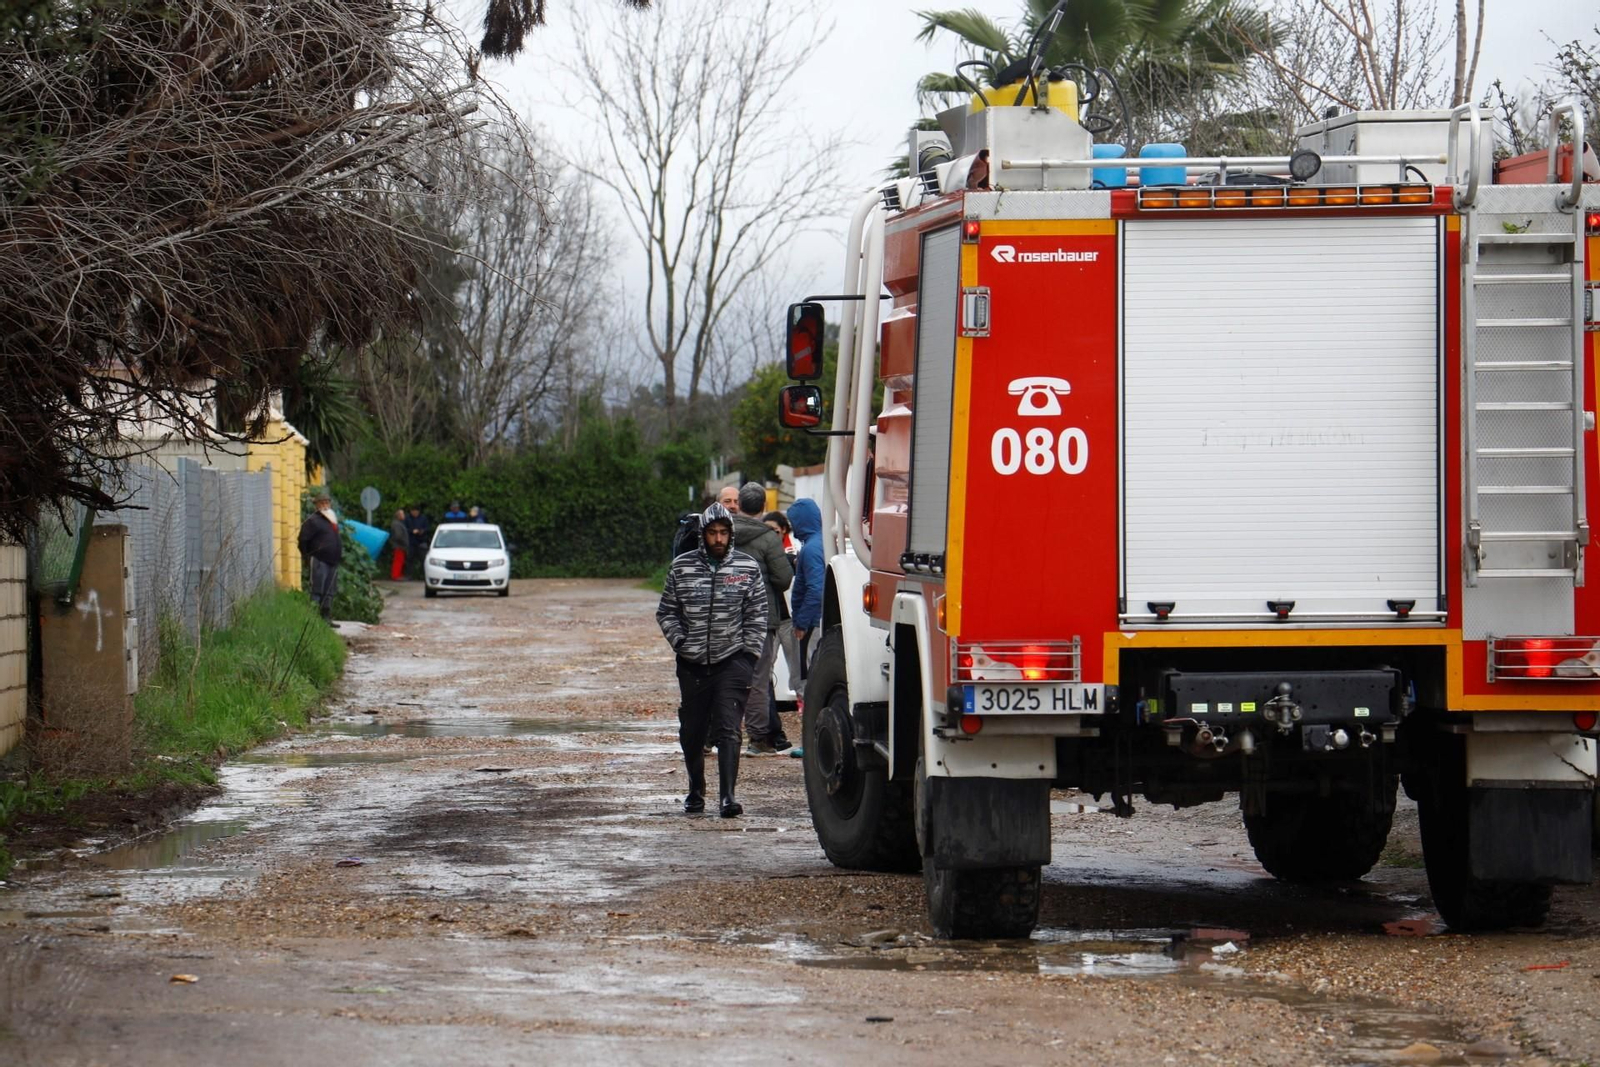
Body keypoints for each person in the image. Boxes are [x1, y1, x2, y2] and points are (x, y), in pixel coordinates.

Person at [656, 502, 768, 818]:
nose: (717, 539)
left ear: (731, 535)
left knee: (729, 727)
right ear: (702, 534)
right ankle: (696, 788)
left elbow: (758, 613)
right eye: (711, 533)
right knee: (692, 731)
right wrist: (680, 640)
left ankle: (728, 796)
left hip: (733, 660)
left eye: (723, 533)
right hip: (692, 663)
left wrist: (750, 653)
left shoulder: (746, 568)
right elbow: (666, 611)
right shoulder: (682, 567)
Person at [731, 482, 792, 754]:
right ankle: (757, 739)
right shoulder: (769, 538)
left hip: (726, 614)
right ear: (763, 508)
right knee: (757, 678)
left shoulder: (721, 533)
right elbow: (783, 578)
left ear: (739, 504)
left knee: (724, 675)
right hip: (761, 616)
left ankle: (723, 734)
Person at [788, 498, 825, 682]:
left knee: (811, 674)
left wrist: (801, 622)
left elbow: (815, 589)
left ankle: (811, 710)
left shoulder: (810, 549)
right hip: (819, 620)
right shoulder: (823, 541)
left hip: (812, 623)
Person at [298, 493, 342, 621]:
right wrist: (307, 556)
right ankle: (313, 618)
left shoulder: (332, 519)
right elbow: (302, 540)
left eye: (326, 502)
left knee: (329, 590)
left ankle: (326, 617)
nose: (325, 505)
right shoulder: (312, 521)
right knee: (317, 589)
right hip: (319, 559)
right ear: (316, 505)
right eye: (321, 503)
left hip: (333, 561)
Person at [406, 505, 431, 578]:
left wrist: (422, 531)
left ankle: (423, 575)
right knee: (410, 559)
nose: (414, 513)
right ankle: (409, 575)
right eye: (413, 511)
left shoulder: (423, 518)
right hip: (411, 541)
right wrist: (411, 531)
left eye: (416, 512)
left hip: (421, 541)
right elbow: (405, 529)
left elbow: (427, 528)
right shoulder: (408, 519)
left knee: (423, 560)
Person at [388, 508, 409, 581]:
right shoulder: (397, 524)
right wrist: (404, 542)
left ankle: (398, 574)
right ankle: (395, 575)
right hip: (399, 546)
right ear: (398, 515)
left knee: (400, 560)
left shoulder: (398, 523)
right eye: (402, 514)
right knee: (398, 561)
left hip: (400, 545)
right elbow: (398, 536)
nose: (404, 515)